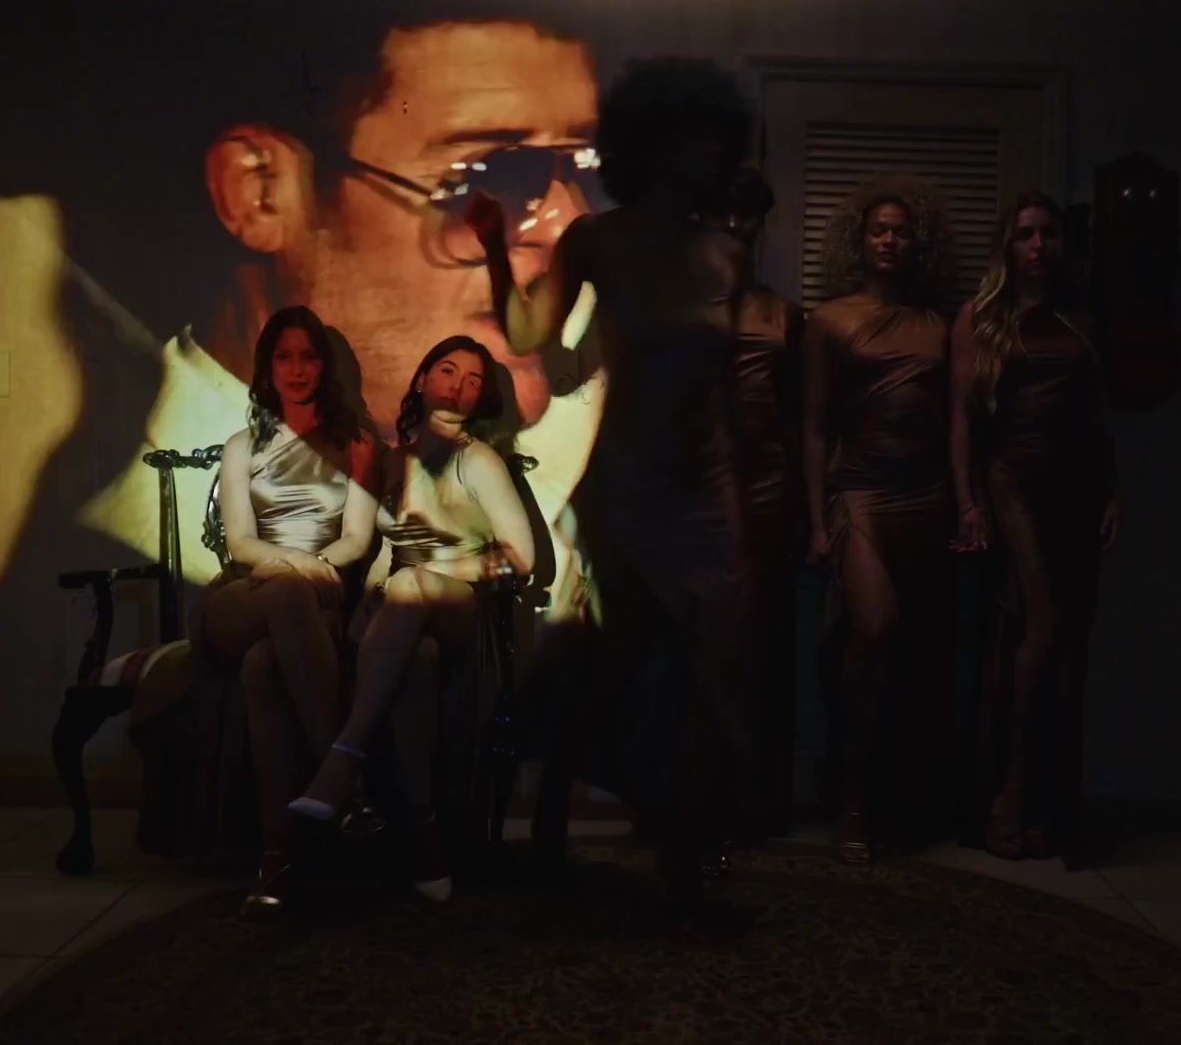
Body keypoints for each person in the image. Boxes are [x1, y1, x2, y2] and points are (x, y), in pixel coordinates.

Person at [72, 17, 605, 618]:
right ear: (262, 193)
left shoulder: (505, 466)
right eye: (497, 176)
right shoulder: (153, 574)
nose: (567, 225)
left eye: (587, 169)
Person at [466, 56, 764, 907]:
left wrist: (740, 497)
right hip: (627, 487)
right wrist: (495, 251)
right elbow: (529, 333)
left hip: (704, 489)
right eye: (689, 139)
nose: (706, 155)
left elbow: (725, 392)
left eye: (715, 141)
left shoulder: (727, 252)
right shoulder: (599, 241)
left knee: (711, 670)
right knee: (621, 663)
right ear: (650, 144)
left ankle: (685, 855)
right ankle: (557, 805)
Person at [289, 336, 538, 905]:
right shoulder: (395, 459)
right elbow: (388, 549)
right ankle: (424, 834)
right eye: (447, 372)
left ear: (480, 398)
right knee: (416, 655)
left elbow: (520, 558)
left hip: (463, 611)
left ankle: (343, 761)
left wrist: (436, 570)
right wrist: (368, 601)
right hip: (408, 617)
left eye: (472, 381)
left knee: (411, 586)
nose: (457, 386)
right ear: (422, 380)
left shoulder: (478, 460)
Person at [951, 191, 1121, 864]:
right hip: (1011, 483)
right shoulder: (981, 318)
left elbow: (1098, 418)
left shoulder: (1081, 322)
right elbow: (961, 418)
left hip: (1074, 491)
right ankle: (1010, 789)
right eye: (1026, 234)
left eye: (1049, 233)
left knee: (1064, 645)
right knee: (1037, 629)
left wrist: (1114, 491)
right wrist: (967, 501)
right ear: (1008, 245)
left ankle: (1050, 805)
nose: (1039, 245)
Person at [199, 306, 377, 918]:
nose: (297, 369)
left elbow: (357, 538)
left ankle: (277, 857)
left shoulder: (356, 443)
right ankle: (344, 782)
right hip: (245, 594)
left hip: (317, 596)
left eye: (308, 357)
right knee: (281, 595)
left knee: (264, 667)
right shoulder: (242, 446)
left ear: (323, 367)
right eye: (284, 357)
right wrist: (300, 565)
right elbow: (241, 545)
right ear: (267, 368)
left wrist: (318, 568)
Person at [804, 174, 958, 865]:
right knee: (873, 630)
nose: (891, 240)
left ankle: (898, 801)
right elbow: (813, 427)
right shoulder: (829, 320)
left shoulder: (939, 325)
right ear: (860, 241)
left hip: (926, 498)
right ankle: (851, 801)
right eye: (879, 230)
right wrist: (817, 519)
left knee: (915, 656)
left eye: (901, 231)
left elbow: (954, 421)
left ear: (916, 243)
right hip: (860, 494)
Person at [705, 166, 805, 833]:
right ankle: (689, 797)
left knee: (763, 641)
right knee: (697, 643)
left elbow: (798, 415)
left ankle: (756, 801)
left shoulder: (782, 314)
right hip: (698, 491)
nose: (738, 225)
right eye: (726, 213)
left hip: (768, 487)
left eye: (749, 215)